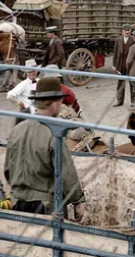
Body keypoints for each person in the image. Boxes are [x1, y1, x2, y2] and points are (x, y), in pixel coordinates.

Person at [5, 75, 85, 218]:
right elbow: (66, 172)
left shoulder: (17, 130)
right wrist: (77, 201)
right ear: (54, 103)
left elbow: (7, 170)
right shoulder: (55, 133)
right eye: (60, 101)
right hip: (45, 205)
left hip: (17, 203)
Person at [112, 24, 135, 107]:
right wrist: (114, 65)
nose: (127, 32)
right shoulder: (118, 40)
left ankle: (133, 101)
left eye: (128, 30)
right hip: (120, 65)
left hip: (130, 66)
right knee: (120, 84)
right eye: (125, 30)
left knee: (132, 83)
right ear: (122, 31)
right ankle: (119, 101)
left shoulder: (133, 40)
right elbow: (115, 53)